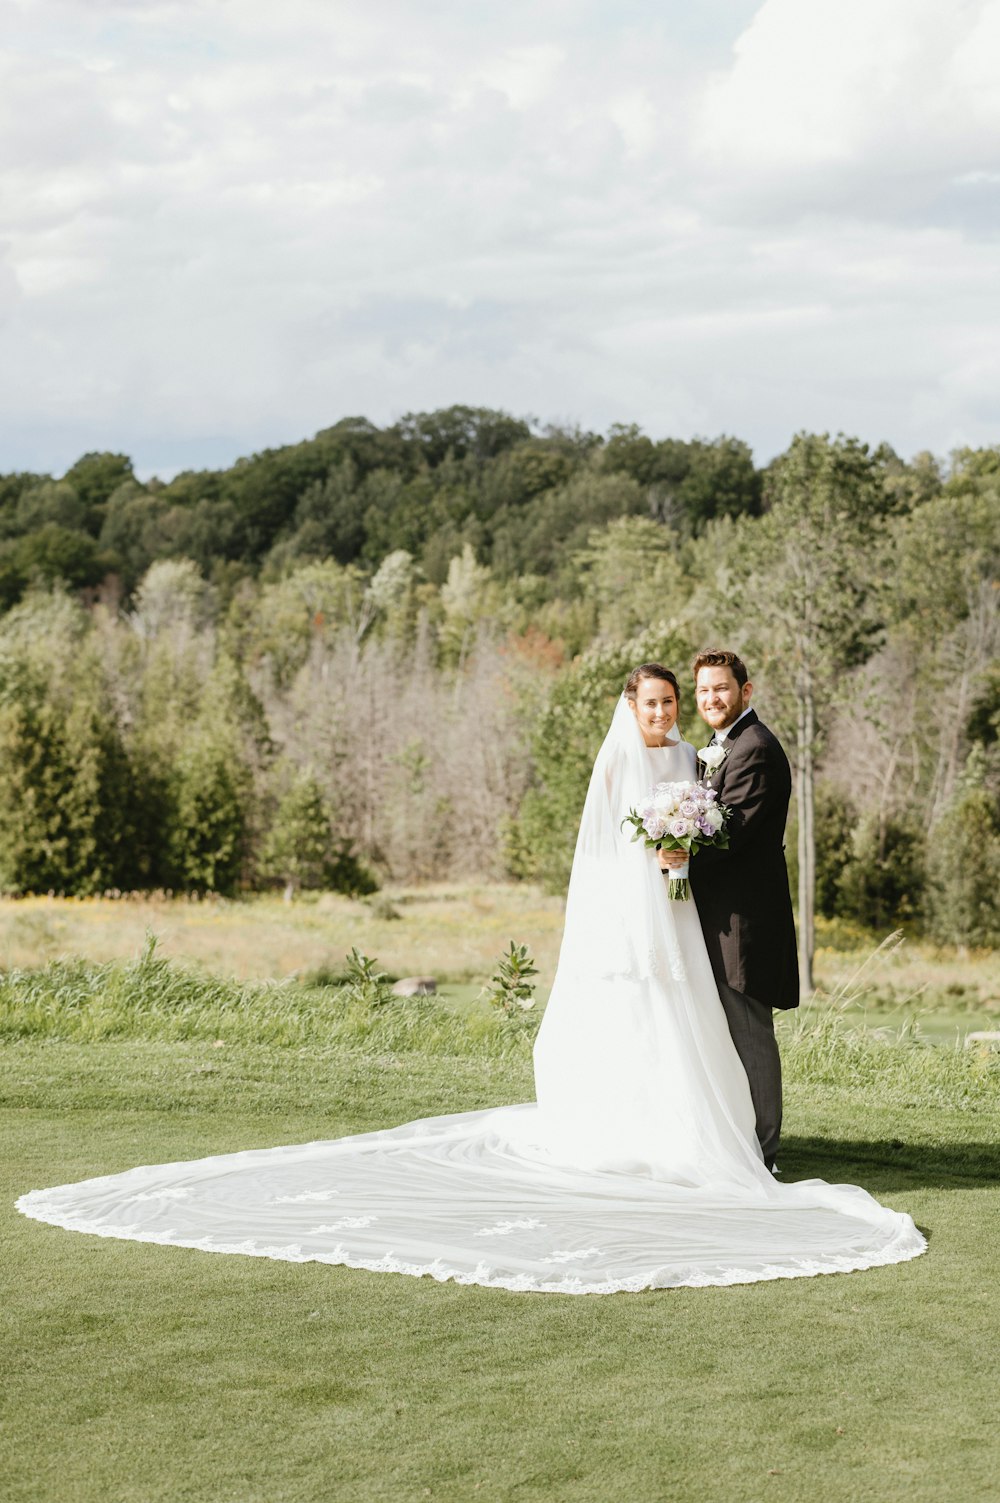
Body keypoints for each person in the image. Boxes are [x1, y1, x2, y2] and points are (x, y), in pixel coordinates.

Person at [17, 665, 925, 1293]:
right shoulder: (626, 760)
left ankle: (733, 1135)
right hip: (639, 911)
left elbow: (709, 826)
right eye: (654, 702)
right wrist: (660, 858)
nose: (664, 714)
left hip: (685, 914)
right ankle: (651, 1128)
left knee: (703, 1026)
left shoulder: (699, 758)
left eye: (671, 702)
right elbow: (608, 851)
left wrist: (681, 847)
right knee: (649, 1022)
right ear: (632, 705)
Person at [665, 650, 796, 1170]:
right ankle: (740, 1139)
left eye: (720, 688)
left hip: (742, 920)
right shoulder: (724, 746)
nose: (710, 699)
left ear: (746, 690)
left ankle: (763, 1153)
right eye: (702, 691)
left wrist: (675, 846)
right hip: (719, 916)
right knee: (729, 1032)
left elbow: (732, 835)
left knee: (749, 1032)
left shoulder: (755, 748)